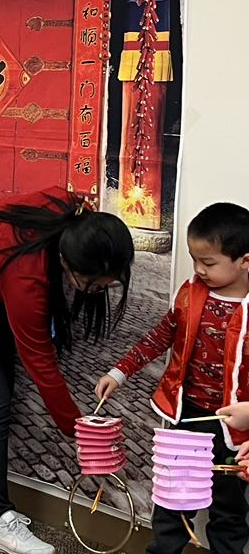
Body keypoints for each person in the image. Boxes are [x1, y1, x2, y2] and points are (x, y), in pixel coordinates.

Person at [0, 188, 133, 554]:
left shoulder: (73, 211)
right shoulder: (27, 279)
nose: (101, 291)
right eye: (95, 285)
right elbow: (41, 363)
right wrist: (79, 430)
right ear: (71, 264)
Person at [96, 203, 249, 554]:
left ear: (245, 260)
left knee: (230, 507)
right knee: (173, 501)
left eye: (208, 263)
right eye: (194, 259)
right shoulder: (191, 293)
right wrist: (119, 372)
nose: (198, 269)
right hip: (187, 417)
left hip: (236, 427)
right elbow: (160, 335)